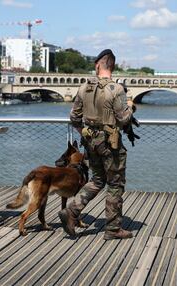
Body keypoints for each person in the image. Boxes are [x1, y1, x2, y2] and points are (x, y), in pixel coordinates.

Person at [58, 49, 135, 240]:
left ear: (97, 65)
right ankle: (113, 229)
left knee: (97, 179)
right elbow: (123, 119)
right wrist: (131, 107)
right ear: (113, 66)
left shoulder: (84, 88)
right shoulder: (116, 90)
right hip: (111, 144)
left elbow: (74, 117)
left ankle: (72, 211)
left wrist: (84, 133)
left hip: (90, 143)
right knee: (115, 185)